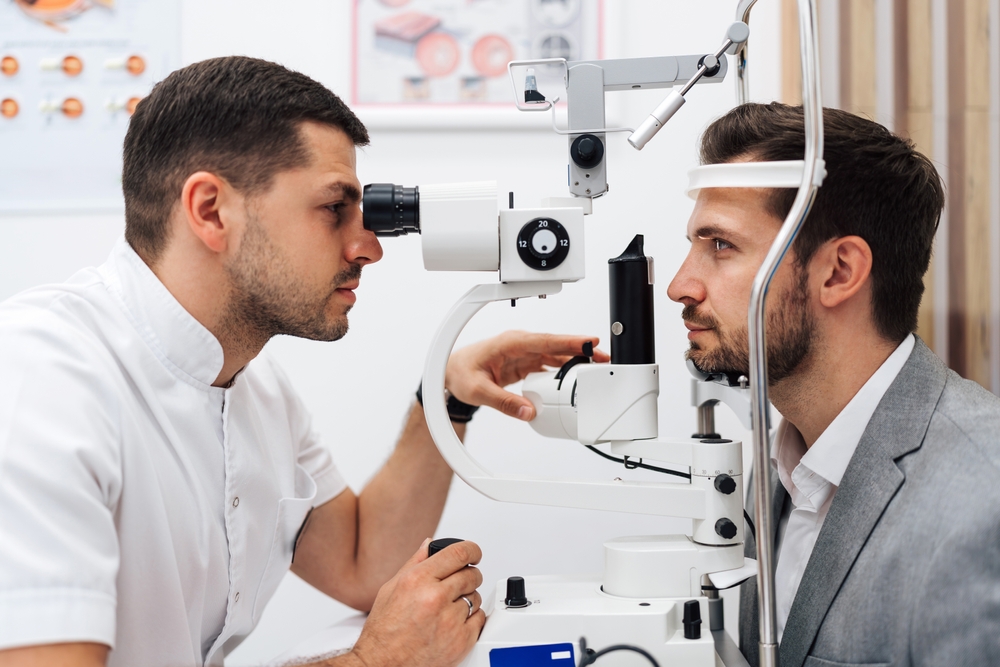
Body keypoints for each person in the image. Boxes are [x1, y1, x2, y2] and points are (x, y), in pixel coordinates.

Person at [0, 56, 609, 667]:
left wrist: (444, 393)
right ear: (211, 209)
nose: (368, 247)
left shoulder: (256, 388)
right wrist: (372, 662)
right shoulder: (42, 381)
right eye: (333, 208)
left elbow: (361, 562)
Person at [667, 102, 1000, 667]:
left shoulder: (981, 502)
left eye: (720, 245)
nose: (680, 285)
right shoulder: (780, 468)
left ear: (839, 272)